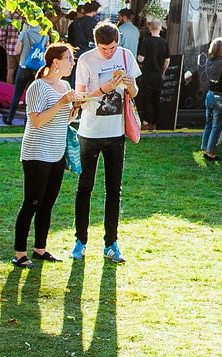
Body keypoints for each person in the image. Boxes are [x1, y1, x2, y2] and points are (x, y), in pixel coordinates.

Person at [72, 21, 139, 262]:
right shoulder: (86, 60)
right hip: (90, 132)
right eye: (104, 48)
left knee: (114, 189)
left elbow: (135, 92)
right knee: (85, 187)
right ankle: (80, 240)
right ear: (95, 43)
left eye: (112, 47)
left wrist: (130, 87)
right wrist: (104, 88)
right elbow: (79, 97)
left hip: (116, 132)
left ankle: (111, 242)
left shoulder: (126, 55)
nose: (108, 52)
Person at [12, 44, 82, 268]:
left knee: (48, 203)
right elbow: (37, 121)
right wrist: (62, 102)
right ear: (55, 62)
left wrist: (74, 108)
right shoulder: (37, 87)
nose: (72, 62)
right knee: (32, 202)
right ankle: (20, 252)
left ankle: (40, 248)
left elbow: (64, 121)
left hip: (56, 152)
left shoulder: (65, 85)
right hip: (37, 152)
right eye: (69, 59)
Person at [199, 37, 222, 156]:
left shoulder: (209, 61)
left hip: (210, 94)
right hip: (220, 96)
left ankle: (204, 147)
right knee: (216, 126)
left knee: (208, 123)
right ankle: (210, 152)